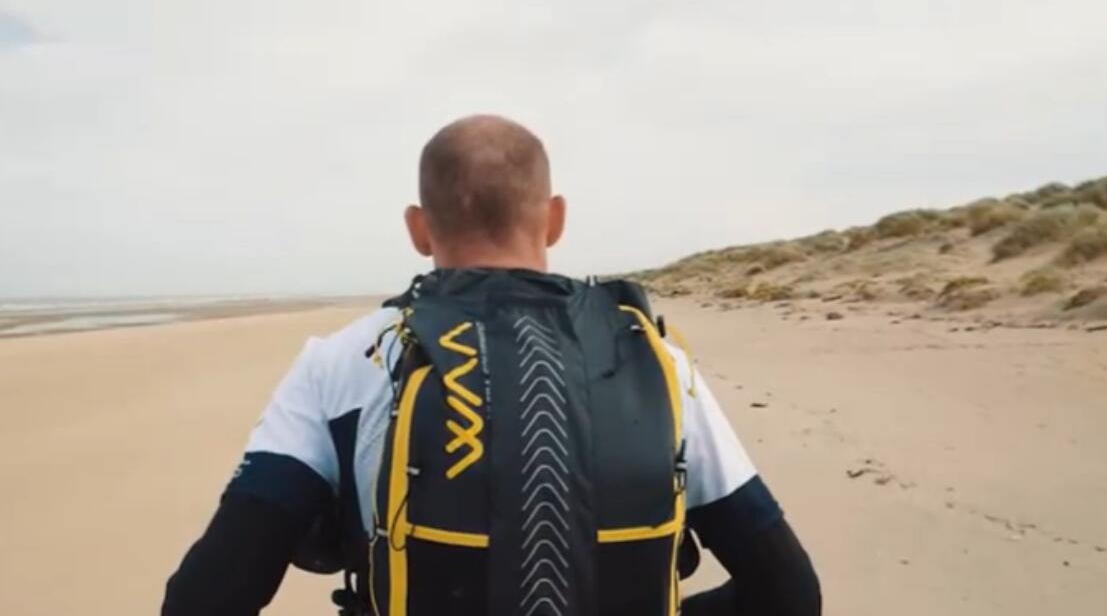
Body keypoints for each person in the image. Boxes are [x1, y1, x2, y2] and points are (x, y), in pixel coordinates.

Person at [162, 115, 821, 616]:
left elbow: (204, 598)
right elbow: (790, 592)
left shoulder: (340, 363)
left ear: (419, 228)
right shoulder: (654, 360)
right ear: (554, 219)